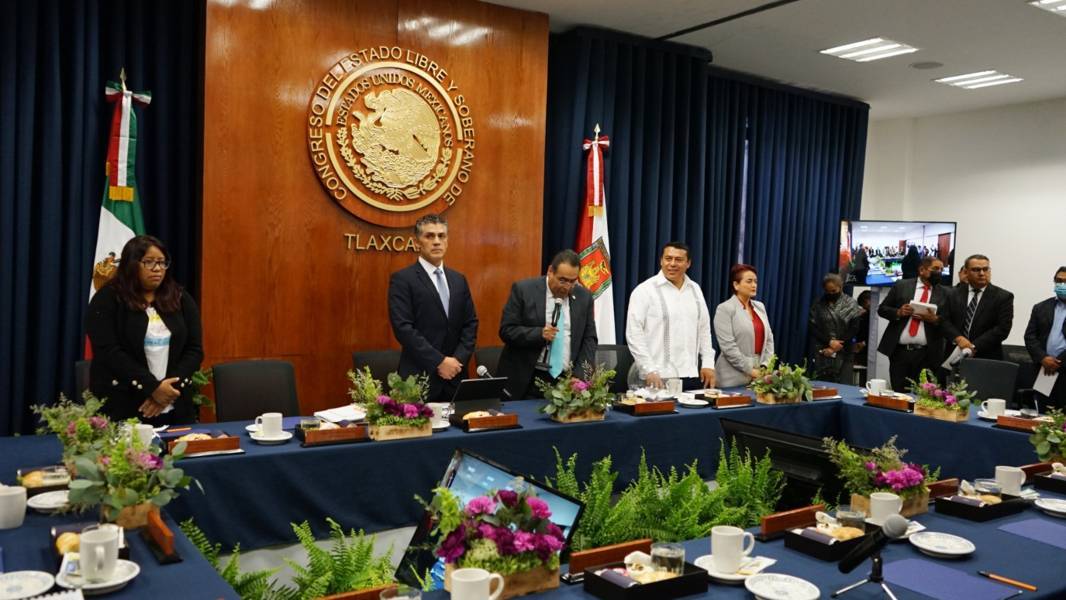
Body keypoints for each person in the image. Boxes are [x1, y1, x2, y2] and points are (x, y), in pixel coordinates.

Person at [85, 235, 203, 424]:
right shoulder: (107, 299)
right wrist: (153, 388)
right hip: (123, 405)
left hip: (175, 405)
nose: (157, 268)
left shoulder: (179, 297)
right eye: (149, 262)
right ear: (131, 264)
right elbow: (109, 352)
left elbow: (194, 350)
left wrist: (166, 392)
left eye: (162, 262)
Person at [388, 214, 478, 402]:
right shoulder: (403, 279)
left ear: (447, 240)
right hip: (419, 378)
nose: (436, 241)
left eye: (441, 236)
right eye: (429, 236)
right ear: (417, 242)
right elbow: (403, 328)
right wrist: (439, 361)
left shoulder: (459, 280)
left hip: (456, 377)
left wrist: (457, 361)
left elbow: (470, 324)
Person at [497, 250, 597, 400]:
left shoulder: (584, 297)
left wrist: (579, 375)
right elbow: (506, 330)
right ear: (550, 271)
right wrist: (539, 334)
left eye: (572, 281)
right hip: (528, 380)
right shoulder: (524, 290)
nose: (567, 287)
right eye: (562, 280)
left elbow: (589, 339)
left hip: (567, 382)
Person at [626, 242, 716, 390]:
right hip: (657, 378)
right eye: (668, 259)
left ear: (688, 263)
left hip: (691, 375)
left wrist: (708, 363)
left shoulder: (695, 289)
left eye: (678, 260)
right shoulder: (644, 290)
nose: (672, 264)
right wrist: (648, 369)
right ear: (661, 261)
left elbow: (704, 329)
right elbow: (634, 334)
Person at [876, 256, 950, 392]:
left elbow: (949, 321)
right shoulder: (901, 285)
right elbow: (882, 309)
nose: (939, 272)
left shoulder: (946, 293)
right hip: (900, 352)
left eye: (941, 269)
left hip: (928, 354)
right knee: (899, 393)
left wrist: (935, 319)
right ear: (922, 270)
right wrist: (898, 312)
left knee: (924, 395)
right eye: (935, 269)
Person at [941, 254, 1014, 361]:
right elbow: (943, 320)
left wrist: (972, 347)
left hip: (986, 356)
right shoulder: (953, 293)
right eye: (976, 270)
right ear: (966, 272)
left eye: (985, 269)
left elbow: (1002, 328)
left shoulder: (1003, 297)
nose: (982, 273)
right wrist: (958, 338)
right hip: (954, 353)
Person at [713, 264, 775, 388]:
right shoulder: (725, 309)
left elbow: (769, 340)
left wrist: (764, 367)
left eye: (755, 281)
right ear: (736, 285)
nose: (754, 285)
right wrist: (751, 371)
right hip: (731, 378)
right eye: (749, 281)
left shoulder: (760, 307)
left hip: (759, 377)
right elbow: (728, 347)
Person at [1022, 267, 1066, 409]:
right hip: (1044, 369)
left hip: (1062, 367)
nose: (1062, 285)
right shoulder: (1041, 307)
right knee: (1043, 412)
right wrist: (1043, 358)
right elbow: (1030, 337)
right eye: (1059, 281)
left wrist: (1058, 362)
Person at [808, 274, 863, 383]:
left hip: (845, 350)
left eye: (833, 291)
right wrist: (829, 342)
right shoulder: (818, 304)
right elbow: (812, 327)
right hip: (823, 350)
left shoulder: (851, 303)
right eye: (827, 291)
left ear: (840, 287)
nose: (831, 294)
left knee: (844, 385)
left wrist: (836, 346)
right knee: (824, 385)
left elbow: (854, 328)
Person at [852, 290, 873, 370]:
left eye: (865, 305)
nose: (864, 308)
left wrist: (863, 343)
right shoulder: (864, 316)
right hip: (862, 351)